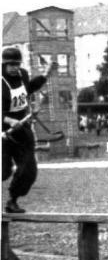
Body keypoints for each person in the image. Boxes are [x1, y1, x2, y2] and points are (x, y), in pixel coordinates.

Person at [2, 47, 56, 213]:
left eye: (16, 64)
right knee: (3, 170)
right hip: (3, 130)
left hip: (22, 129)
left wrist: (46, 75)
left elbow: (29, 88)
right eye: (10, 64)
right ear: (3, 64)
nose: (14, 67)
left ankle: (13, 200)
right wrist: (9, 120)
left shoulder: (23, 75)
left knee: (29, 169)